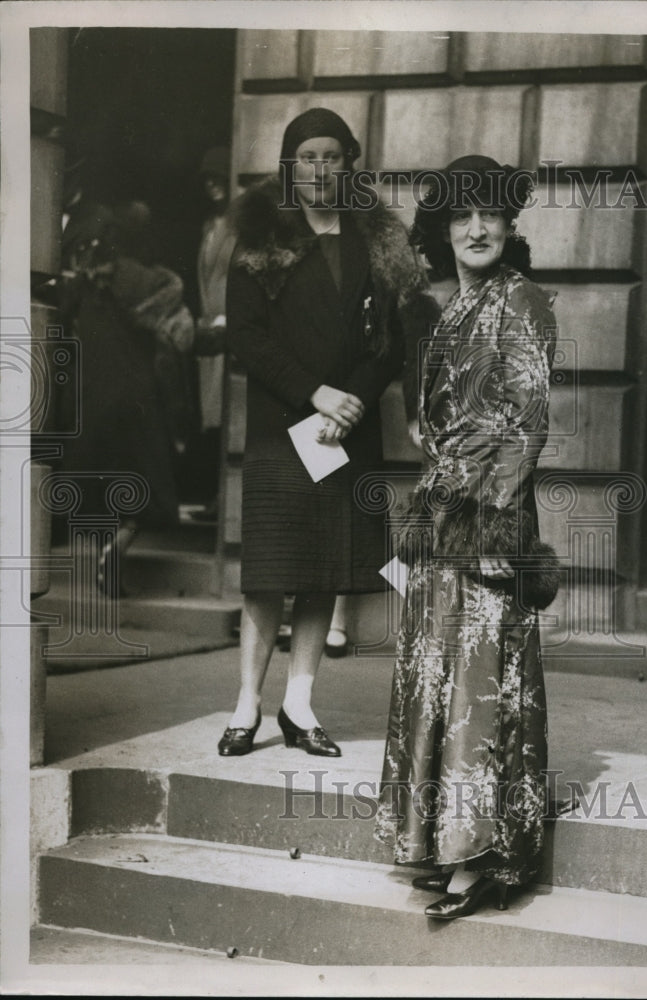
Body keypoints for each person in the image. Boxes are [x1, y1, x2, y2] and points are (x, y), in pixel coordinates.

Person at [219, 107, 439, 758]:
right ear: (291, 166)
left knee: (321, 571)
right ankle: (245, 708)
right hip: (283, 429)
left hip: (345, 432)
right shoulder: (262, 236)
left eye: (332, 155)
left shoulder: (376, 237)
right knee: (268, 574)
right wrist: (313, 393)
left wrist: (356, 402)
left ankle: (299, 705)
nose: (320, 169)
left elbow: (395, 337)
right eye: (307, 157)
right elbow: (246, 339)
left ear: (350, 161)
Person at [374, 155, 560, 920]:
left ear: (510, 223)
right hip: (443, 516)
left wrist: (481, 516)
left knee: (486, 680)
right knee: (438, 676)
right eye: (461, 215)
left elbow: (525, 427)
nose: (477, 228)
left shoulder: (523, 302)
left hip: (485, 522)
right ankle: (437, 841)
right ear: (442, 227)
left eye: (489, 214)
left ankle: (488, 852)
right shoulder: (454, 307)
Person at [54, 200, 193, 595]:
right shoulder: (148, 281)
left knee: (96, 487)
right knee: (151, 489)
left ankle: (105, 556)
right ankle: (119, 547)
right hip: (138, 400)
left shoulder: (78, 286)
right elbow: (177, 340)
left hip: (90, 398)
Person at [191, 146, 236, 520]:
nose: (211, 185)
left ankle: (225, 499)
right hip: (209, 332)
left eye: (217, 177)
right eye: (206, 180)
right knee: (212, 417)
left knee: (228, 414)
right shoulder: (209, 225)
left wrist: (231, 317)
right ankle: (216, 498)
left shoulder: (240, 225)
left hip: (230, 331)